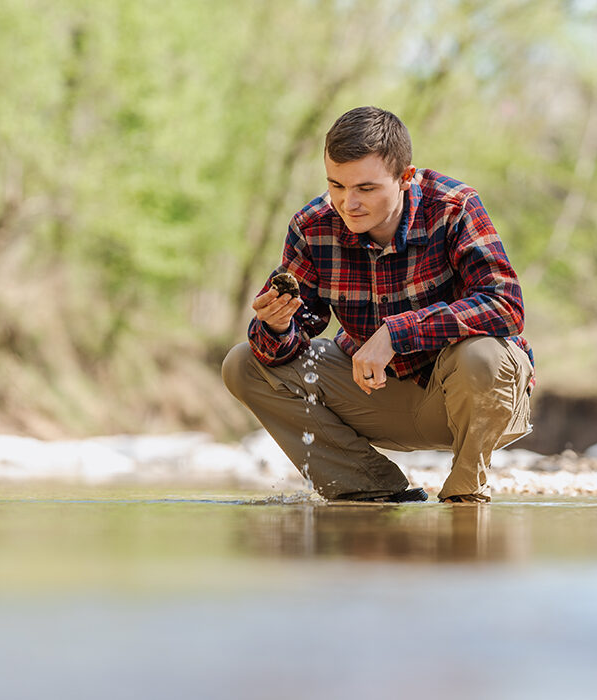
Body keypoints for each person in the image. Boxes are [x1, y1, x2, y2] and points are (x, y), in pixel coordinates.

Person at [222, 106, 533, 503]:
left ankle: (465, 493)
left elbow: (505, 305)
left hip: (467, 397)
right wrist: (278, 327)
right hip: (375, 397)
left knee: (485, 355)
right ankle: (369, 486)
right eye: (336, 185)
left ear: (405, 178)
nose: (347, 203)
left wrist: (397, 332)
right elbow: (296, 334)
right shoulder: (313, 225)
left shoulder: (454, 206)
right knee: (243, 363)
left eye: (365, 189)